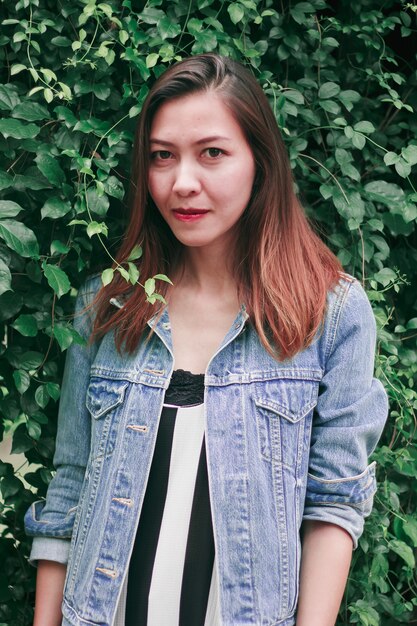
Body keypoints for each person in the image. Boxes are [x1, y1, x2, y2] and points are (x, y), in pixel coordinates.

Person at [25, 54, 388, 626]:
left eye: (212, 153)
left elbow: (334, 506)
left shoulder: (330, 313)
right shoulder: (108, 304)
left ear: (260, 163)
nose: (182, 182)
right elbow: (70, 484)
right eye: (162, 157)